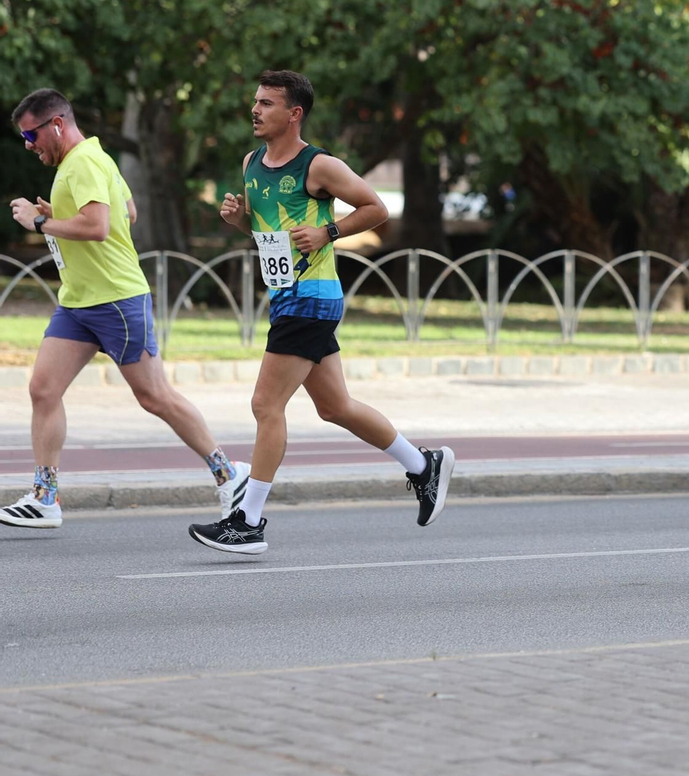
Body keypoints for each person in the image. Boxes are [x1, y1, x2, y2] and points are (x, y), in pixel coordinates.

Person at [187, 71, 453, 554]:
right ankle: (423, 465)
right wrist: (238, 219)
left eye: (267, 103)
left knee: (266, 406)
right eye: (256, 101)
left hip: (311, 296)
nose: (256, 109)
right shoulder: (252, 162)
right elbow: (267, 233)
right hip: (286, 295)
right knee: (335, 407)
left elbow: (375, 208)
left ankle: (248, 522)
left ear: (294, 114)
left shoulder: (319, 165)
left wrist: (329, 232)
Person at [4, 89, 249, 529]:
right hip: (79, 302)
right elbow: (128, 214)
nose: (28, 143)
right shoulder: (95, 157)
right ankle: (45, 498)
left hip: (115, 300)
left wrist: (39, 222)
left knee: (155, 396)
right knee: (43, 388)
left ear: (56, 125)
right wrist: (59, 213)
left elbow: (98, 227)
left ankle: (230, 474)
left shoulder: (84, 163)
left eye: (30, 133)